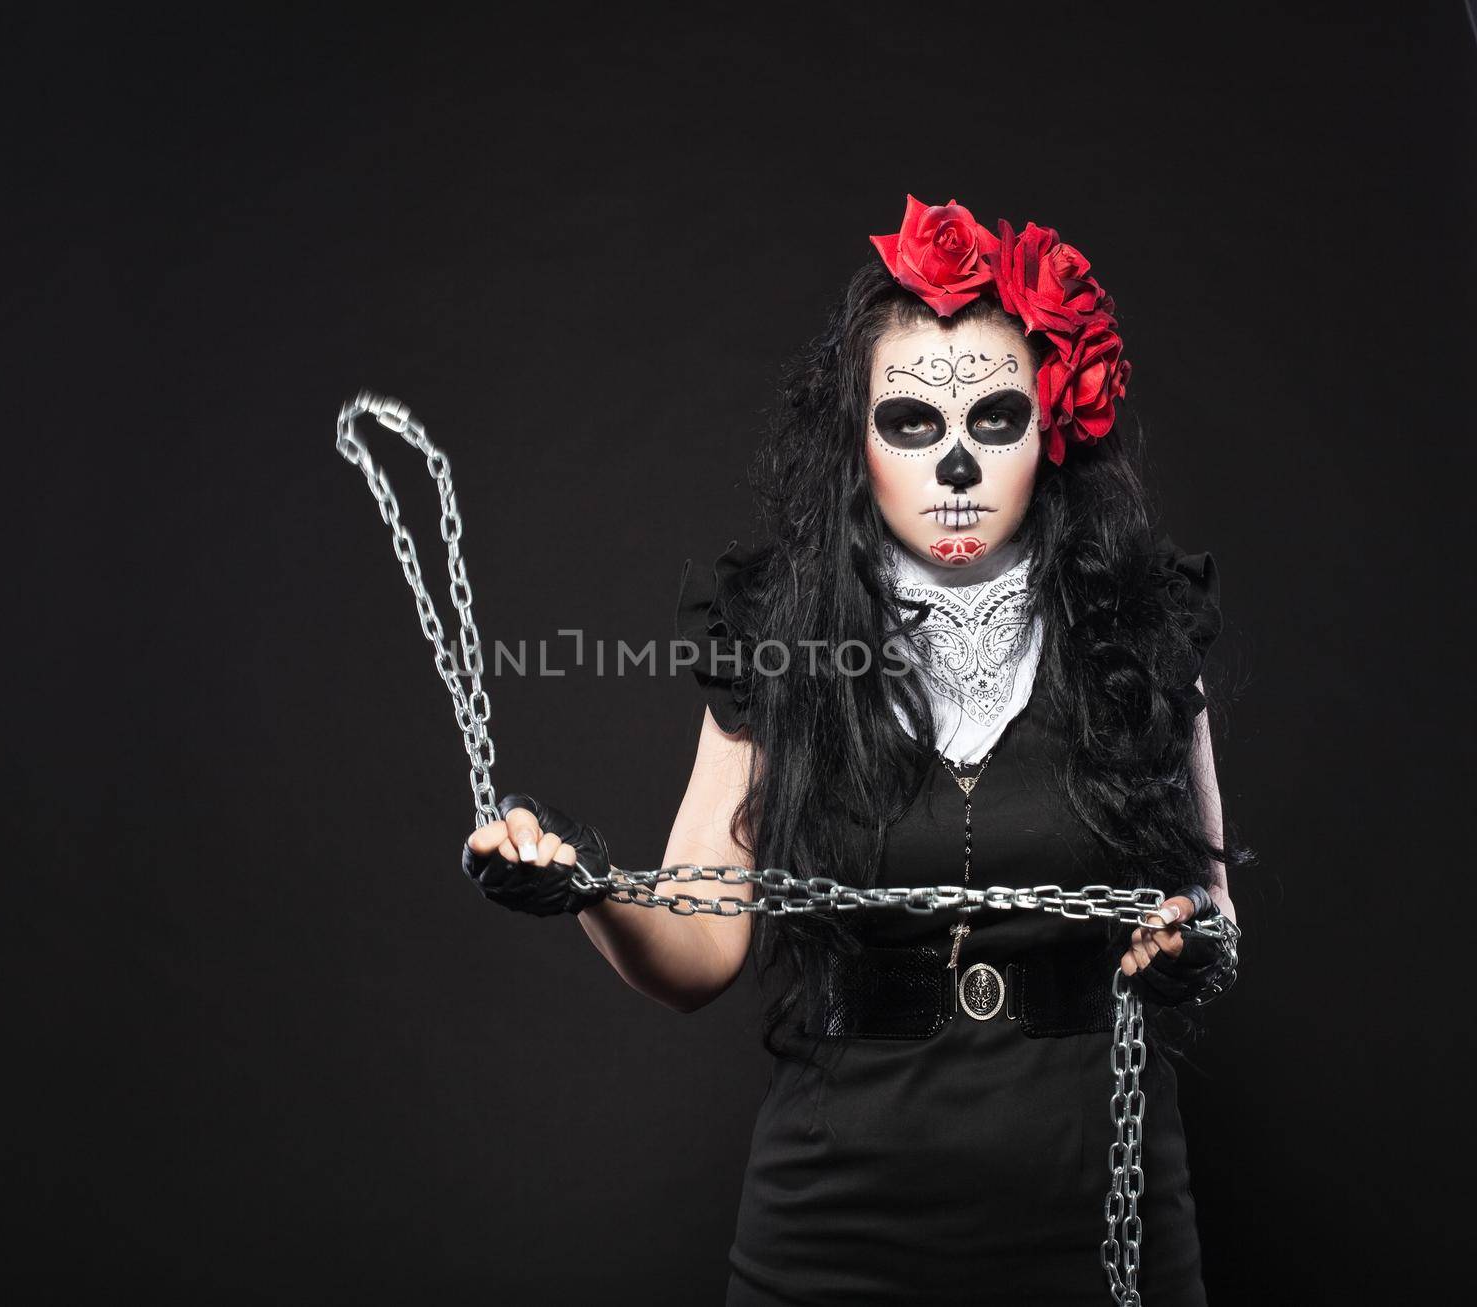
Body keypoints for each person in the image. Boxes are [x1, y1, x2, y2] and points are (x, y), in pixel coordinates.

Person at [462, 195, 1244, 1306]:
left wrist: (1191, 946)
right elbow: (697, 950)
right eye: (914, 423)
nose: (958, 465)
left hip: (1099, 1214)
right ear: (858, 442)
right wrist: (580, 882)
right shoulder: (775, 640)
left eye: (996, 419)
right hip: (837, 1230)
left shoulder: (1143, 632)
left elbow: (1209, 907)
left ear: (1049, 431)